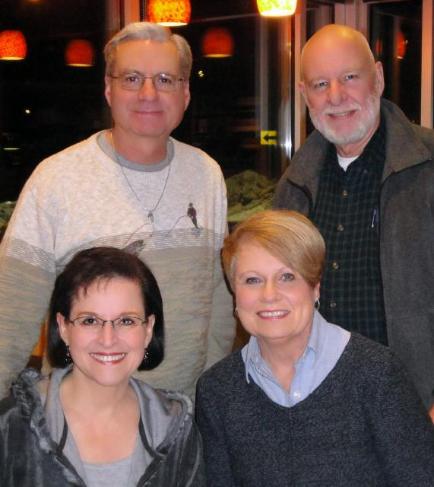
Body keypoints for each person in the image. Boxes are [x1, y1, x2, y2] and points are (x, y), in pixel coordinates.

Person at [0, 22, 234, 398]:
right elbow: (10, 313)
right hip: (79, 421)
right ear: (109, 89)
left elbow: (218, 303)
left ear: (186, 93)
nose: (148, 93)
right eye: (131, 78)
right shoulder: (56, 178)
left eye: (165, 79)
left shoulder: (206, 175)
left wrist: (211, 400)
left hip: (181, 417)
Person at [196, 210, 434, 486]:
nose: (269, 295)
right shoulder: (216, 391)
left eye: (287, 277)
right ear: (234, 292)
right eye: (253, 280)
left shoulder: (377, 373)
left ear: (315, 287)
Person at [273, 23, 434, 419]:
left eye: (349, 77)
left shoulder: (428, 166)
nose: (336, 96)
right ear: (304, 95)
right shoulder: (293, 187)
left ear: (377, 77)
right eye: (320, 84)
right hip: (319, 407)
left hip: (417, 404)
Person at [0, 246, 205, 486]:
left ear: (148, 329)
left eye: (126, 320)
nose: (108, 340)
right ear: (63, 327)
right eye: (90, 320)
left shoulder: (176, 430)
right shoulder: (12, 425)